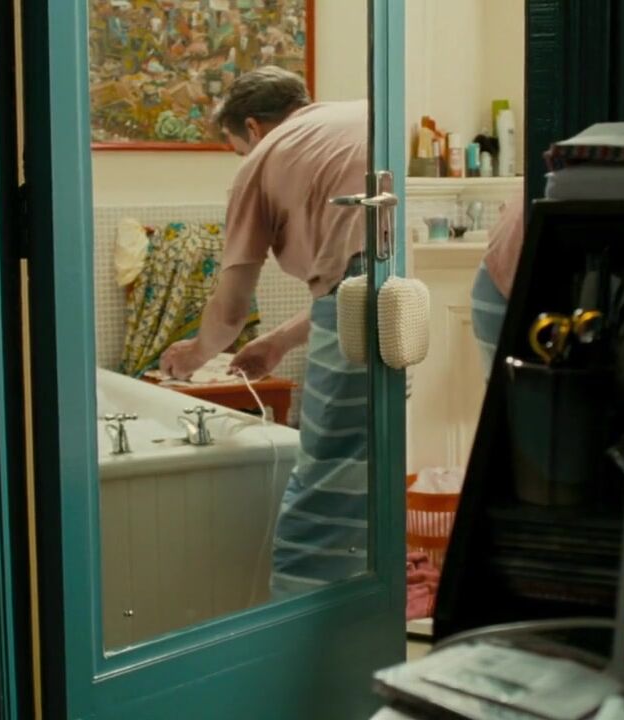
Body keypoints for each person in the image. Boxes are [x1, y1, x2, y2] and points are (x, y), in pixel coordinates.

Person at [159, 66, 369, 598]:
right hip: (402, 309)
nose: (243, 159)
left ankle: (296, 620)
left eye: (237, 149)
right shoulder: (364, 116)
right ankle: (365, 612)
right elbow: (358, 276)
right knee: (369, 475)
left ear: (252, 127)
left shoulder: (264, 157)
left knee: (324, 484)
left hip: (357, 314)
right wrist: (278, 342)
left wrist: (194, 355)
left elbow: (230, 313)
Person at [470, 187, 525, 378]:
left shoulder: (535, 186)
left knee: (501, 387)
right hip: (502, 294)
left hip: (490, 286)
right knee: (510, 388)